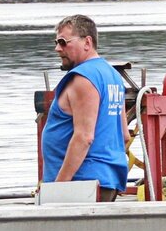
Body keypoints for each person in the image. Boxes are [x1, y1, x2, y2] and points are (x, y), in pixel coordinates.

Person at [42, 14, 128, 201]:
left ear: (87, 42)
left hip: (81, 184)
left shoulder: (83, 79)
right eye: (56, 42)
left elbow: (84, 137)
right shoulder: (112, 76)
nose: (58, 48)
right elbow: (124, 135)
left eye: (64, 42)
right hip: (104, 181)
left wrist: (58, 189)